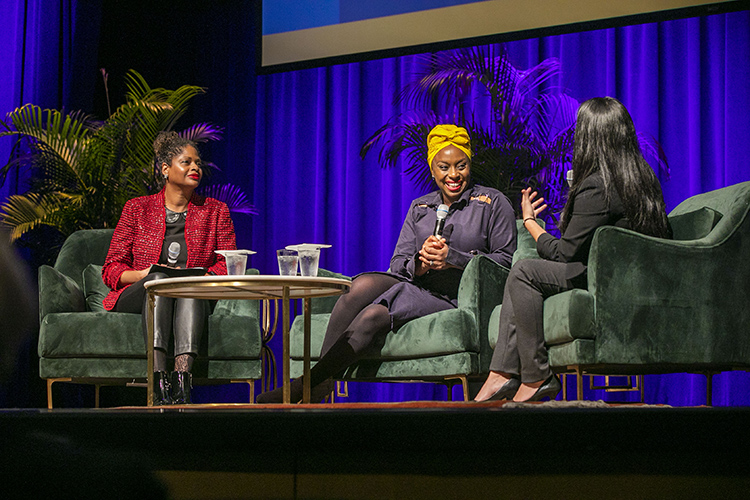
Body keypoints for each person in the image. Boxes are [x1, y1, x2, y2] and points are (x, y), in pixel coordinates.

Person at [257, 124, 517, 403]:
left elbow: (505, 261)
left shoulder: (492, 202)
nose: (453, 175)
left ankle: (311, 383)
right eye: (444, 167)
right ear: (432, 170)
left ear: (469, 165)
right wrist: (421, 263)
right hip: (419, 285)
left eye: (460, 165)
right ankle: (320, 381)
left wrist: (452, 259)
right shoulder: (421, 207)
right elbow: (398, 263)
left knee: (373, 315)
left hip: (457, 297)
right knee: (359, 285)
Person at [474, 97, 672, 402]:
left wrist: (530, 222)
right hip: (631, 275)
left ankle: (535, 375)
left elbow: (565, 253)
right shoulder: (642, 177)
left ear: (588, 138)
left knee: (524, 270)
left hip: (605, 280)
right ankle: (500, 374)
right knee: (524, 271)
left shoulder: (598, 186)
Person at [102, 131, 236, 405]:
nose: (195, 168)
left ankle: (180, 386)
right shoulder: (137, 208)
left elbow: (227, 263)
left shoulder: (215, 211)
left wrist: (203, 278)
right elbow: (111, 269)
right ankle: (157, 378)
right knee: (161, 282)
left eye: (197, 163)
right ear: (165, 169)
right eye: (186, 162)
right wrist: (144, 275)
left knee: (187, 285)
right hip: (143, 291)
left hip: (193, 293)